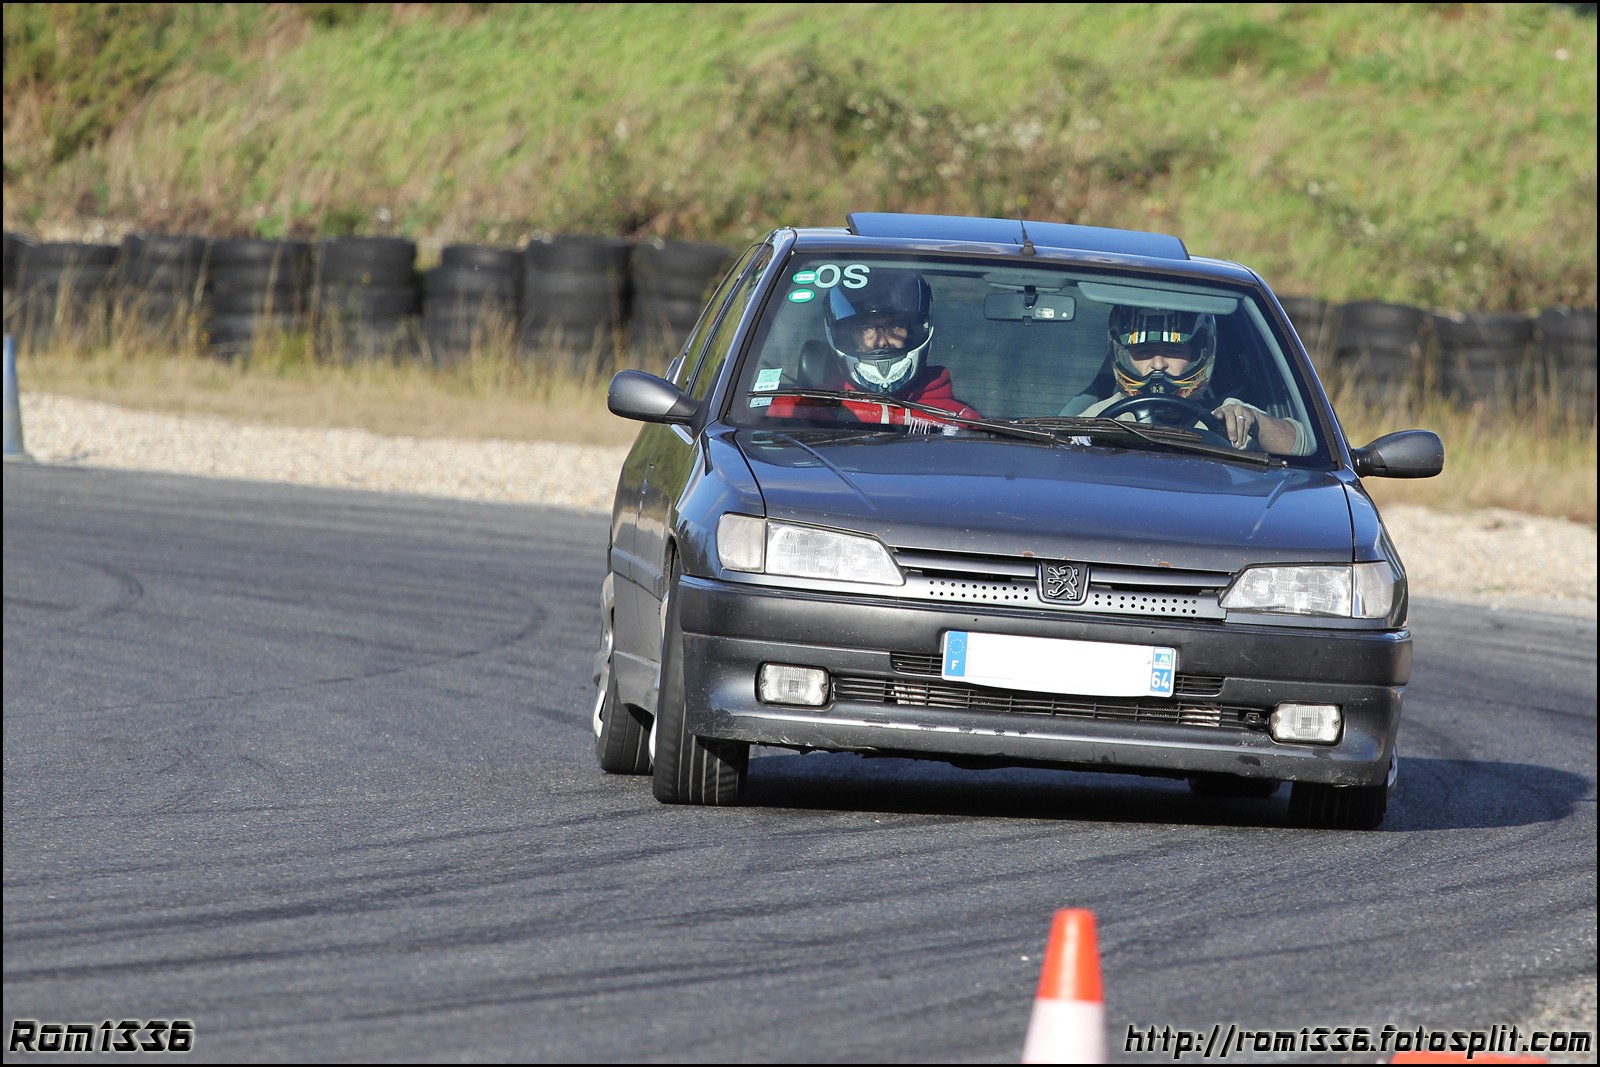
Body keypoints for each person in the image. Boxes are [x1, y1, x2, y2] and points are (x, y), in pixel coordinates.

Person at [1062, 305, 1310, 455]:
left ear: (1198, 353)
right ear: (1123, 355)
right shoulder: (1097, 418)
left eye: (1174, 351)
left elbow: (1307, 449)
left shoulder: (1230, 415)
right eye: (1144, 352)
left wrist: (1257, 423)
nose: (1158, 364)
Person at [765, 269, 981, 426]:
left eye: (895, 326)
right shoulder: (803, 410)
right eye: (866, 328)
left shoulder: (960, 421)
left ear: (916, 330)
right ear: (846, 335)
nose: (881, 342)